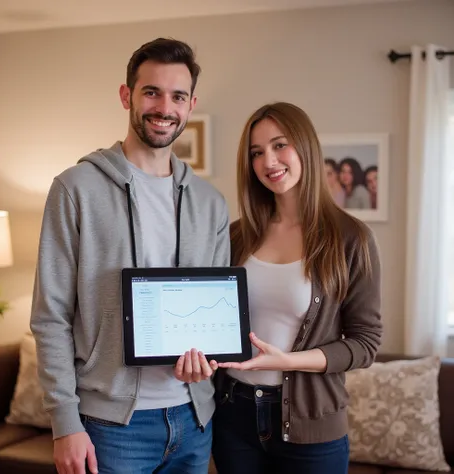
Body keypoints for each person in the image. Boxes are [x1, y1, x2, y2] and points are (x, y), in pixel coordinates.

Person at [30, 37, 230, 474]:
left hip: (194, 421)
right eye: (151, 92)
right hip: (108, 427)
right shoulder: (75, 188)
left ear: (191, 103)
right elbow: (51, 317)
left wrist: (208, 361)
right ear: (127, 96)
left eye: (177, 95)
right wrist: (65, 423)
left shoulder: (211, 203)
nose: (164, 107)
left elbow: (213, 315)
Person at [211, 102, 382, 474]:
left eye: (279, 145)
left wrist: (289, 362)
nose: (268, 161)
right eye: (257, 153)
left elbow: (365, 343)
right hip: (232, 415)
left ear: (304, 146)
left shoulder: (350, 238)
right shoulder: (236, 236)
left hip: (311, 427)